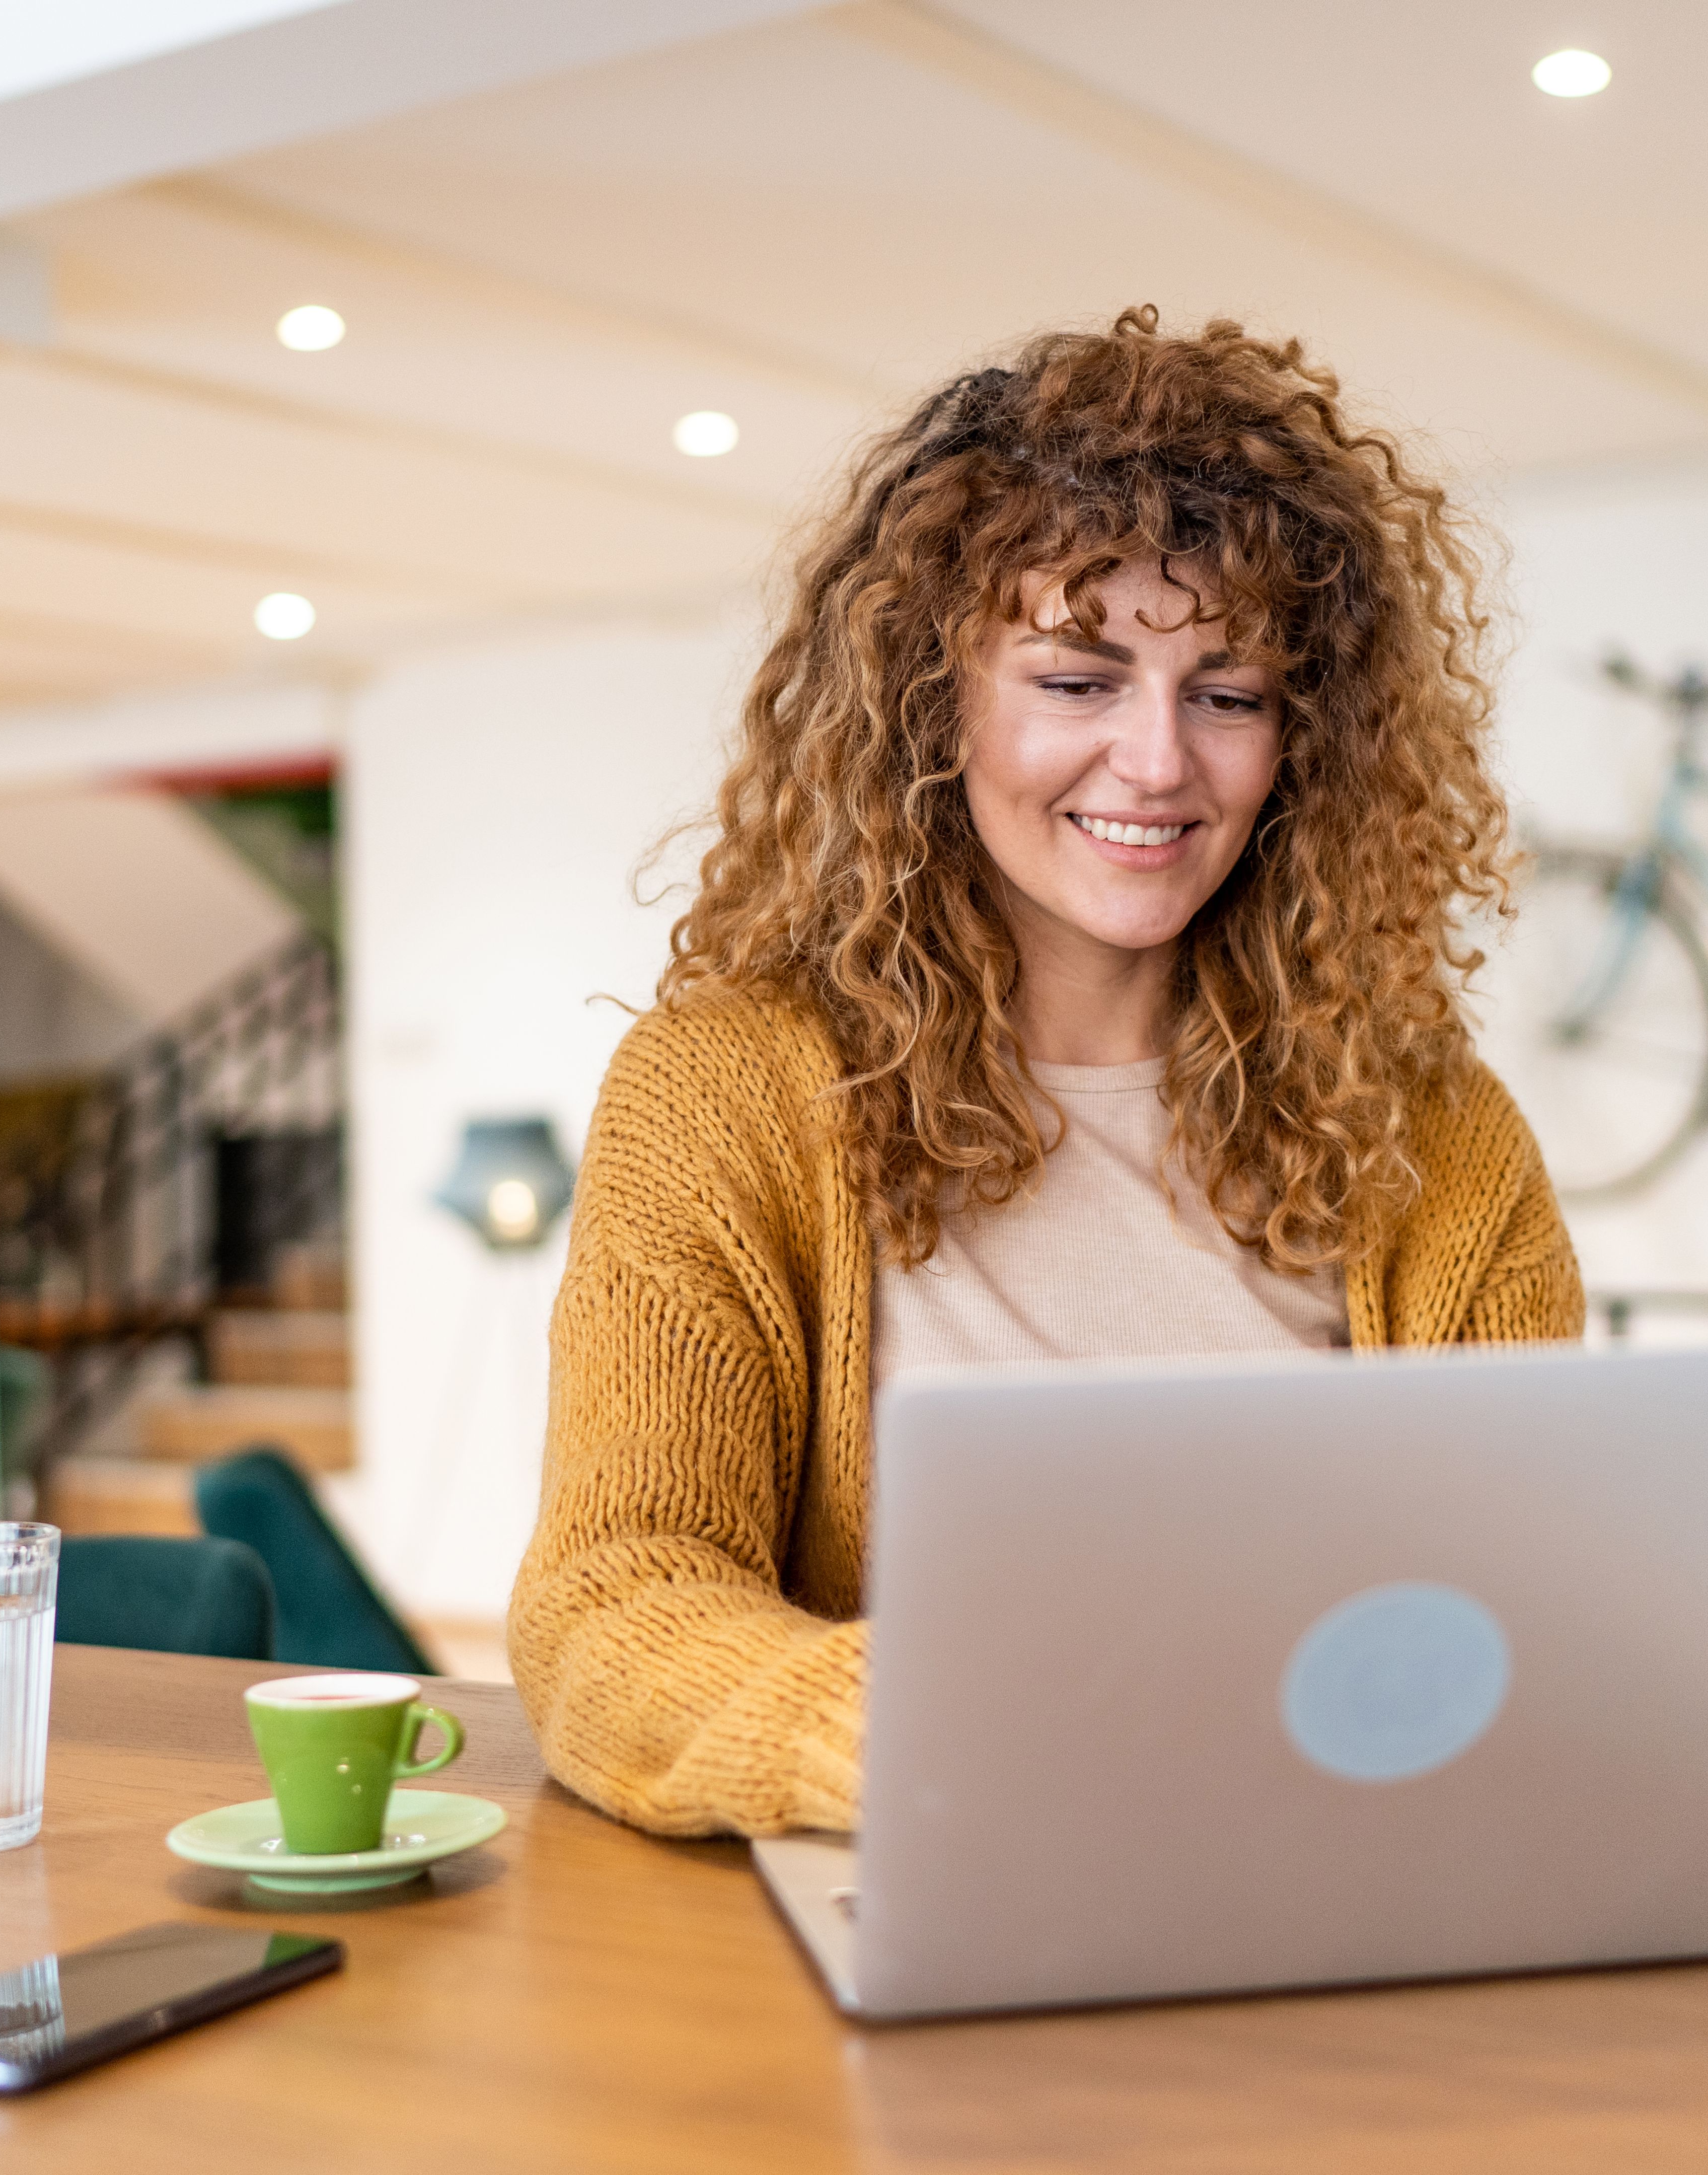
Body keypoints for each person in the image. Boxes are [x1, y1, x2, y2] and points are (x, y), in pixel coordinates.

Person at [509, 308, 1582, 1837]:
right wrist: (931, 1740)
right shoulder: (725, 1093)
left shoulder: (1436, 1132)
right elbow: (615, 1599)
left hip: (1347, 1864)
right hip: (950, 1858)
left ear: (1306, 740)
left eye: (1229, 693)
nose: (1158, 764)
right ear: (931, 707)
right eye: (1077, 682)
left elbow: (1525, 1594)